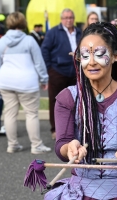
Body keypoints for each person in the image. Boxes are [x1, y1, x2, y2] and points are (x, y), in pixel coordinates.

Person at [47, 22, 117, 200]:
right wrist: (70, 148)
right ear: (78, 58)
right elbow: (62, 144)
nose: (91, 62)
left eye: (99, 54)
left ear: (116, 56)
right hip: (82, 193)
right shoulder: (67, 97)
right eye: (85, 55)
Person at [0, 12, 51, 154]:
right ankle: (36, 145)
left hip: (5, 82)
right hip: (27, 83)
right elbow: (39, 63)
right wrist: (44, 79)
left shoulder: (2, 41)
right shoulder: (29, 40)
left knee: (10, 114)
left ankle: (12, 145)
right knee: (31, 114)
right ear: (23, 23)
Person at [41, 8, 82, 140]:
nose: (69, 20)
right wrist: (49, 69)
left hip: (76, 72)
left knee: (75, 101)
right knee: (55, 101)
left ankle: (74, 128)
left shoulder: (79, 32)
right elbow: (44, 50)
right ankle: (55, 129)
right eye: (66, 18)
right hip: (57, 72)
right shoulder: (53, 32)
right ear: (61, 19)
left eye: (71, 18)